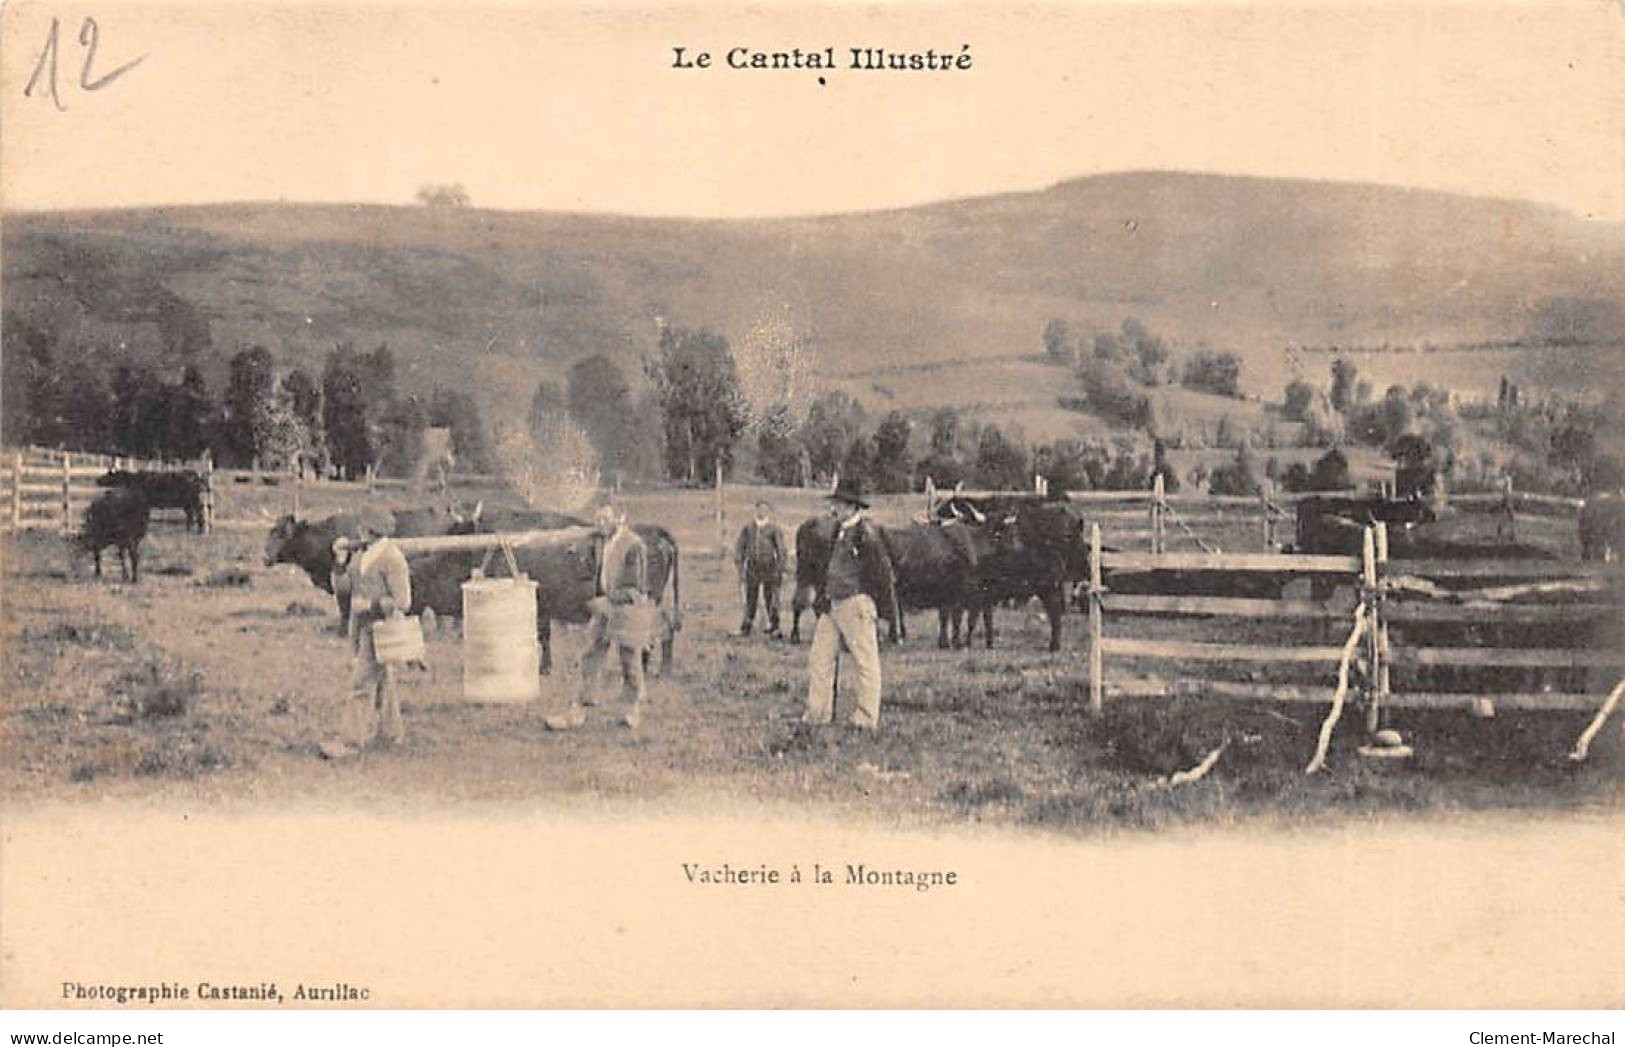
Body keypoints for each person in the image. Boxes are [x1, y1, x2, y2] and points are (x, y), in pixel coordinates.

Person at [804, 477, 897, 731]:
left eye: (842, 504)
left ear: (854, 507)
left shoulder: (866, 536)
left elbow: (884, 576)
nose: (836, 508)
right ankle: (817, 713)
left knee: (865, 661)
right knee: (819, 659)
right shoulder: (838, 531)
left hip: (855, 603)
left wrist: (888, 616)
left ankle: (866, 719)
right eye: (836, 503)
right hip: (832, 604)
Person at [547, 505, 650, 731]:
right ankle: (580, 708)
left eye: (605, 518)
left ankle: (631, 709)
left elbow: (636, 588)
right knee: (590, 656)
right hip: (604, 608)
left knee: (629, 661)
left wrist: (608, 599)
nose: (600, 523)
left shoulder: (634, 545)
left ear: (619, 518)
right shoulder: (600, 541)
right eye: (597, 519)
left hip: (627, 611)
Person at [325, 514, 411, 756]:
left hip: (382, 628)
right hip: (360, 627)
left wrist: (372, 605)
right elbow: (342, 589)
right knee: (383, 680)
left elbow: (403, 601)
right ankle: (391, 735)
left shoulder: (392, 558)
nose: (360, 531)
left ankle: (350, 742)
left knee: (361, 682)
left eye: (365, 527)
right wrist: (340, 562)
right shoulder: (362, 556)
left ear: (374, 530)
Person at [735, 499, 786, 637]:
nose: (762, 512)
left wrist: (780, 568)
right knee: (751, 596)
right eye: (759, 509)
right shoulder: (749, 528)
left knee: (771, 596)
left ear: (768, 511)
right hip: (753, 567)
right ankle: (747, 624)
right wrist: (740, 563)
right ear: (756, 510)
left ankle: (774, 626)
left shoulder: (774, 529)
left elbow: (781, 549)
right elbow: (740, 546)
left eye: (765, 509)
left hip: (769, 567)